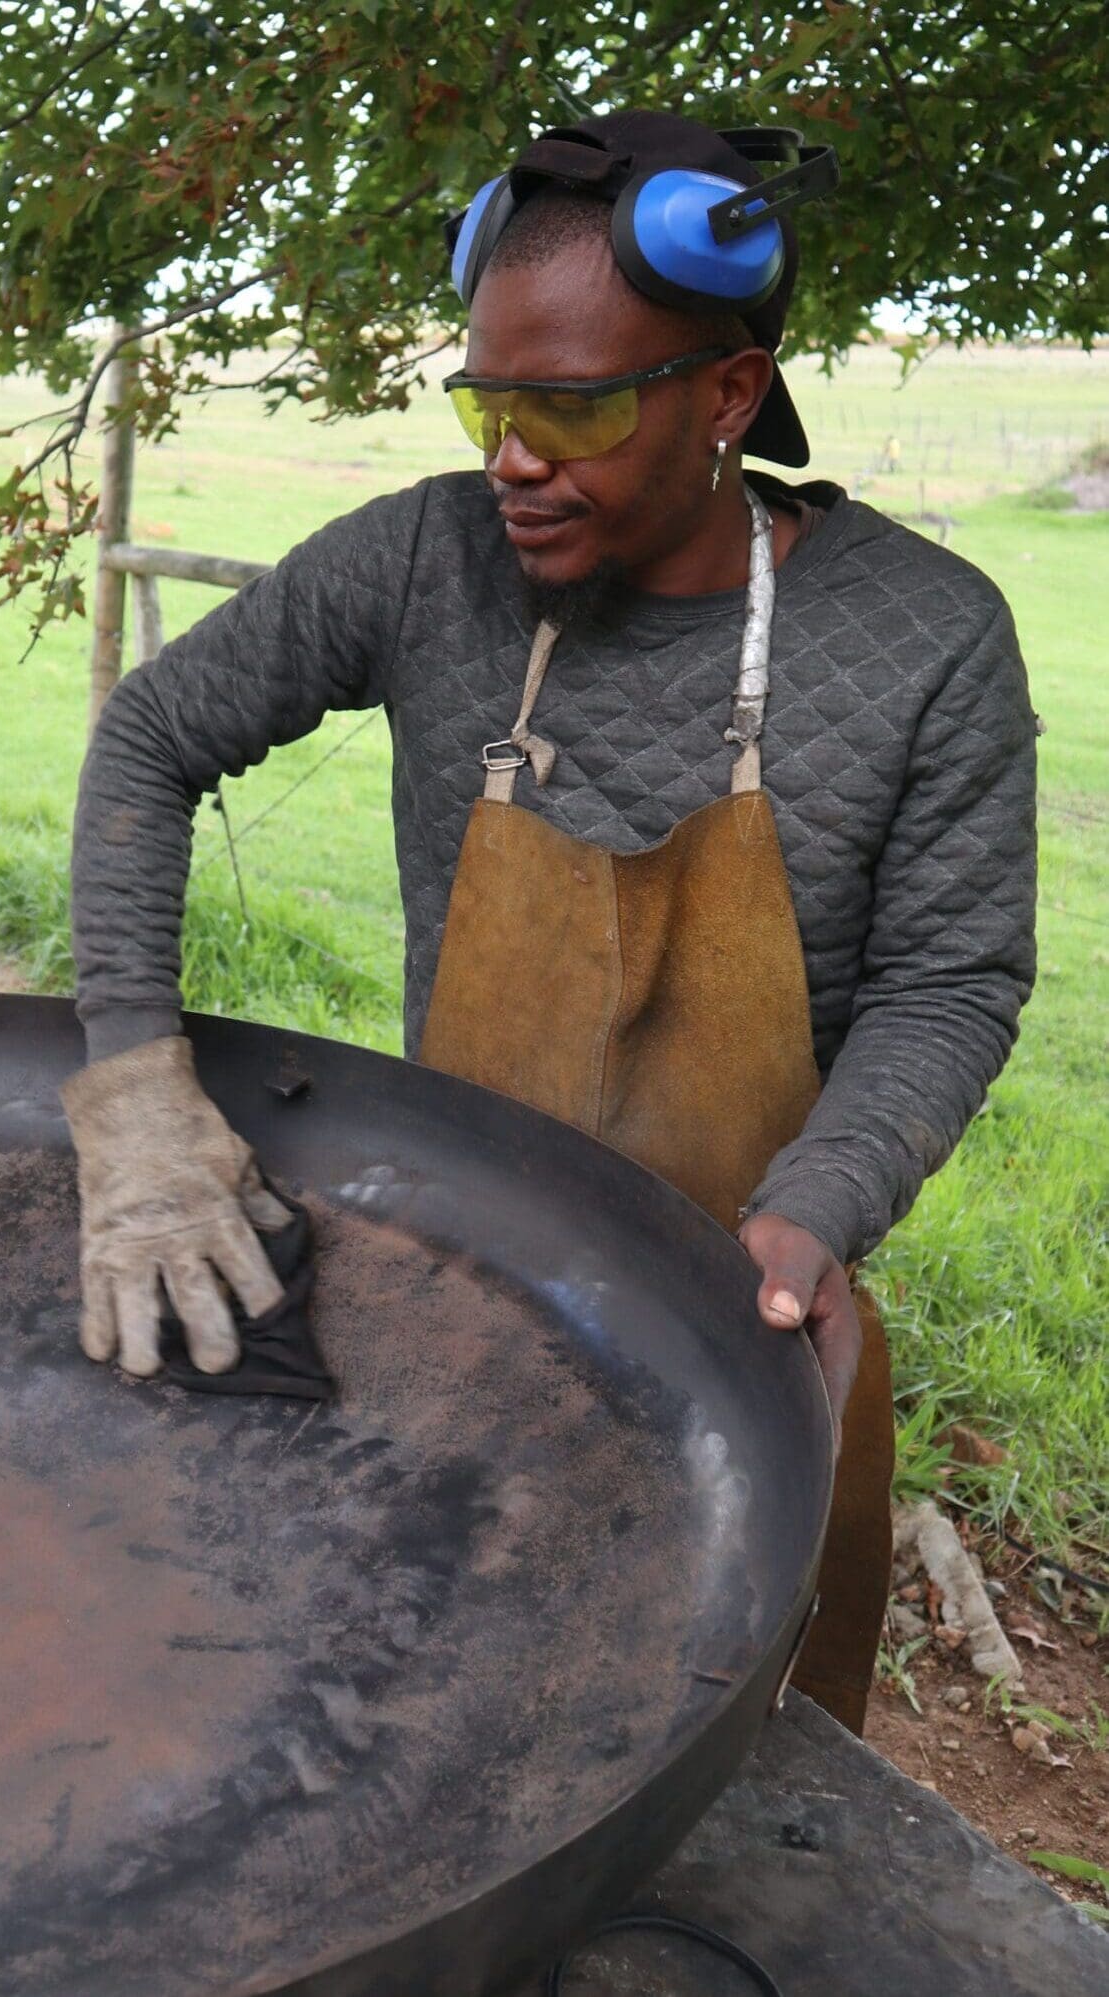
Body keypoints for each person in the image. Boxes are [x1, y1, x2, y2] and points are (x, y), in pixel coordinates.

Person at [59, 110, 1039, 1734]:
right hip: (451, 1273)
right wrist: (134, 1087)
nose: (513, 454)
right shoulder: (426, 566)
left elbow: (952, 978)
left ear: (728, 393)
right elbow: (150, 739)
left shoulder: (928, 637)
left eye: (569, 406)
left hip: (748, 1311)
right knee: (410, 1699)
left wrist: (820, 1205)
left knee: (709, 1744)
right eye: (489, 397)